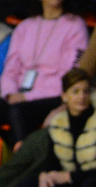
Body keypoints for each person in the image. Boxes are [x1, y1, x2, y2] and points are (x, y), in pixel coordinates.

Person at [0, 0, 89, 142]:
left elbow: (69, 77)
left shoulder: (75, 26)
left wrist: (27, 97)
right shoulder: (25, 26)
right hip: (18, 95)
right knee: (12, 107)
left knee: (18, 111)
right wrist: (10, 93)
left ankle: (22, 161)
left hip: (53, 96)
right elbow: (10, 69)